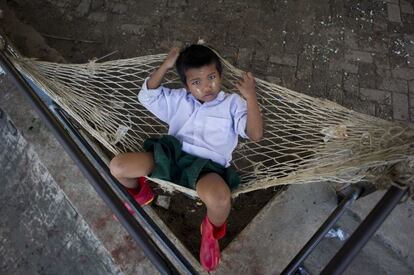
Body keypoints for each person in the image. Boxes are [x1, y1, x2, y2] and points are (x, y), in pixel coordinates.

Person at [109, 44, 263, 271]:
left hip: (207, 168)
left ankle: (211, 233)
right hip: (171, 156)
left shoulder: (232, 104)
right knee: (118, 167)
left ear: (220, 76)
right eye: (196, 82)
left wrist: (250, 97)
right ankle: (142, 195)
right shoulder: (179, 99)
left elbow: (256, 134)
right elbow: (147, 95)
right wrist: (167, 65)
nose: (206, 87)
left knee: (221, 200)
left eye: (211, 77)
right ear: (186, 85)